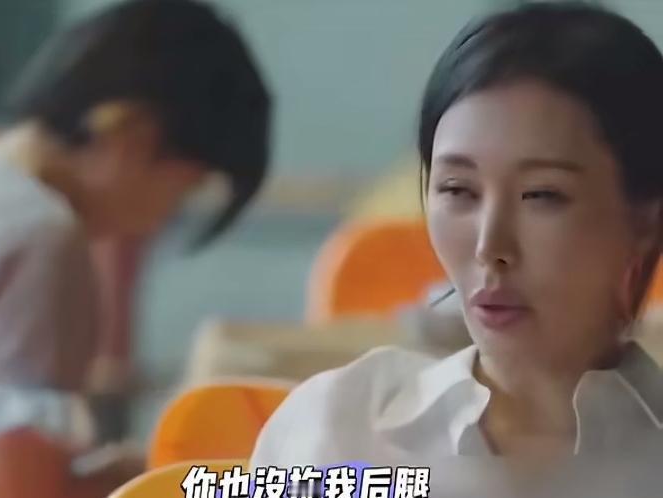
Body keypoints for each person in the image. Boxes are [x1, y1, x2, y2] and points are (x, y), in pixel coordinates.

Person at [250, 1, 663, 474]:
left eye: (542, 195)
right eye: (458, 190)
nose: (490, 247)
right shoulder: (341, 428)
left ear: (646, 220)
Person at [0, 0, 270, 497]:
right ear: (133, 136)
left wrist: (134, 477)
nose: (164, 218)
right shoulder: (40, 237)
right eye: (184, 189)